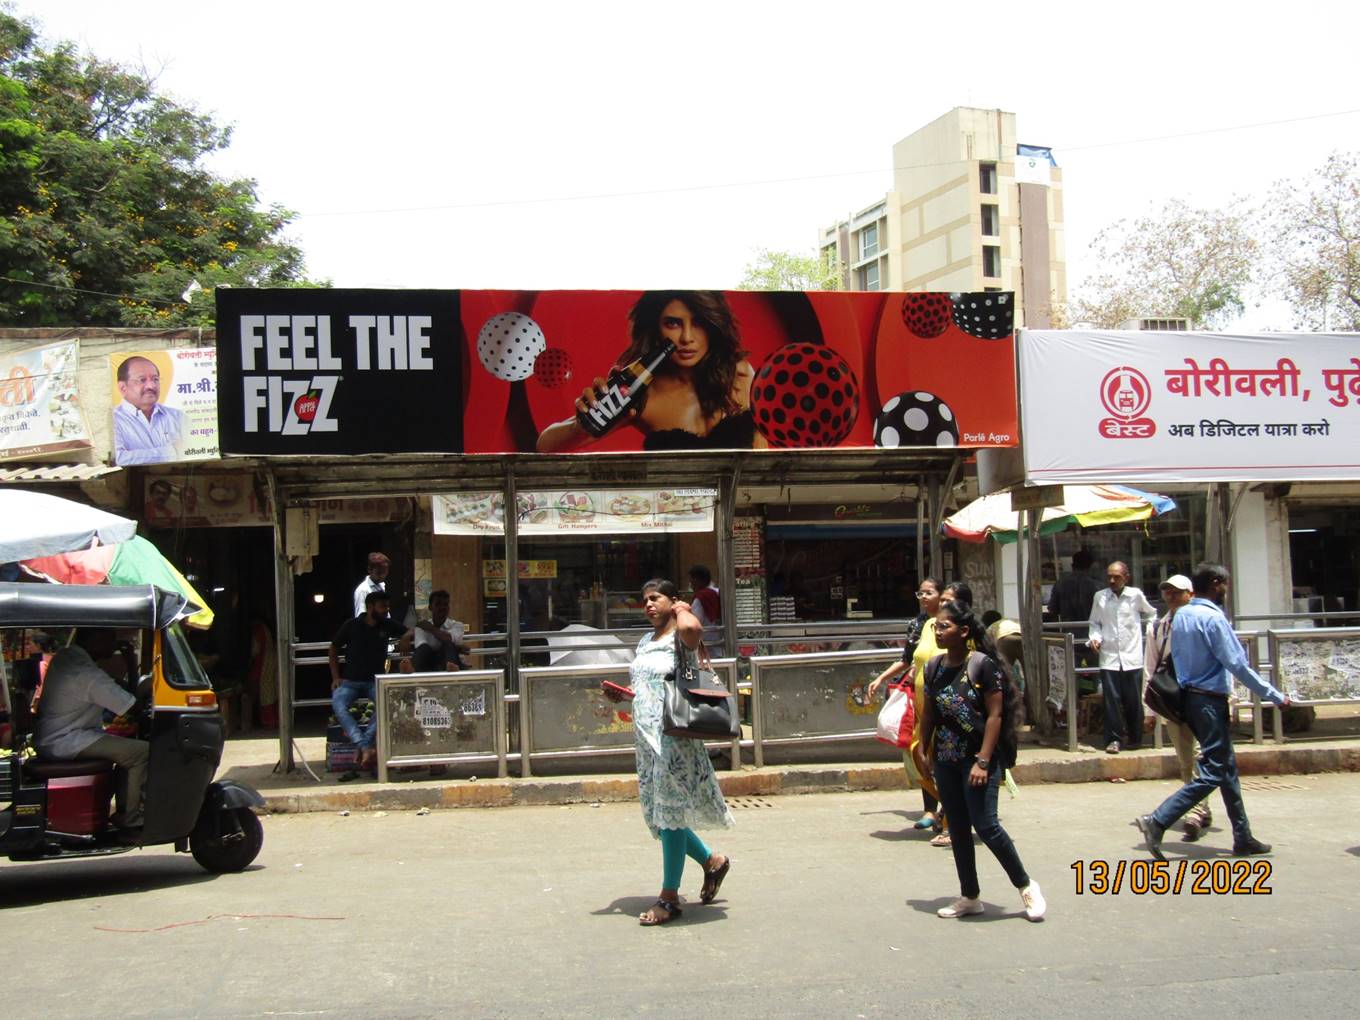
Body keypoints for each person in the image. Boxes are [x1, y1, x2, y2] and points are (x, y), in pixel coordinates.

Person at [602, 578, 734, 926]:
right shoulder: (647, 640)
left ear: (673, 601)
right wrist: (627, 694)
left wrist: (681, 608)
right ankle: (712, 861)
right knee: (660, 816)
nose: (648, 605)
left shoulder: (682, 635)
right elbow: (651, 683)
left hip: (673, 738)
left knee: (670, 813)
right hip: (646, 737)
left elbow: (694, 627)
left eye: (655, 598)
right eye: (644, 600)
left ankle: (669, 898)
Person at [1136, 564, 1289, 860]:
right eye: (1225, 586)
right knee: (1214, 770)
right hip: (1209, 700)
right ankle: (1158, 820)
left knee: (1227, 770)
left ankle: (1242, 836)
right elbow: (1237, 665)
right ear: (1216, 584)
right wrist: (1274, 696)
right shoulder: (1211, 618)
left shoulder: (1182, 617)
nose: (1226, 592)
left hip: (1190, 699)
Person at [920, 600, 1046, 921]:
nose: (938, 631)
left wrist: (983, 761)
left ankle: (1026, 885)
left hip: (978, 758)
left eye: (944, 626)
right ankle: (970, 896)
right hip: (946, 758)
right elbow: (930, 712)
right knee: (958, 828)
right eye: (936, 626)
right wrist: (924, 748)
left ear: (963, 632)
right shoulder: (933, 667)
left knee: (986, 825)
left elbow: (995, 715)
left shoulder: (982, 666)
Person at [536, 291, 768, 452]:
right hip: (678, 516)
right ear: (655, 328)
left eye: (698, 323)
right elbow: (546, 445)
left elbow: (761, 455)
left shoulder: (739, 375)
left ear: (713, 325)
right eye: (673, 323)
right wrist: (579, 426)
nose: (687, 338)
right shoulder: (642, 394)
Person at [34, 628, 149, 836]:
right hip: (66, 739)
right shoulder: (86, 674)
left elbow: (113, 687)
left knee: (126, 748)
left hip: (58, 736)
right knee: (141, 753)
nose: (113, 645)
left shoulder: (68, 657)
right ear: (94, 640)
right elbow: (132, 707)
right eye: (109, 639)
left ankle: (119, 804)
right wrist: (130, 662)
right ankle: (131, 818)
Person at [868, 577, 946, 836]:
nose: (924, 597)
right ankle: (930, 807)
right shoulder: (920, 625)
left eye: (929, 593)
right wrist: (881, 678)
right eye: (920, 593)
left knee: (944, 754)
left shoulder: (954, 623)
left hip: (950, 701)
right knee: (920, 752)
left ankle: (949, 812)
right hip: (922, 701)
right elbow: (908, 658)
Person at [1143, 574, 1211, 840]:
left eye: (1177, 592)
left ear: (1190, 594)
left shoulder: (1204, 622)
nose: (1171, 596)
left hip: (1204, 696)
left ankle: (1195, 810)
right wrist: (1149, 710)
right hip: (1174, 699)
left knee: (1200, 755)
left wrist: (1229, 701)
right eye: (1167, 592)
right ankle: (1200, 806)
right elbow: (1150, 669)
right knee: (1185, 759)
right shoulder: (1158, 627)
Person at [329, 590, 413, 778]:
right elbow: (333, 648)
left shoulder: (387, 625)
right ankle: (366, 746)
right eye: (382, 607)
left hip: (376, 681)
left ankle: (363, 746)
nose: (386, 611)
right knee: (339, 705)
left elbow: (411, 629)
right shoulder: (351, 625)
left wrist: (406, 638)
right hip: (350, 682)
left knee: (386, 706)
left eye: (387, 607)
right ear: (370, 607)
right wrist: (336, 677)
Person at [1088, 560, 1156, 754]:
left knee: (1133, 700)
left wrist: (1150, 633)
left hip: (1132, 656)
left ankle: (1135, 737)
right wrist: (1095, 638)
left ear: (1126, 577)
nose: (1111, 580)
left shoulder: (1135, 596)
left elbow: (1151, 614)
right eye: (1109, 576)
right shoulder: (1100, 597)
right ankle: (1113, 739)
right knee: (1112, 700)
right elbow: (1094, 623)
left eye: (1116, 577)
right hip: (1109, 656)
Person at [113, 355, 183, 466]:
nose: (151, 385)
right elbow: (119, 458)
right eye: (142, 380)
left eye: (155, 379)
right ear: (123, 388)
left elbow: (193, 449)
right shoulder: (114, 420)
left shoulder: (177, 416)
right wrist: (172, 451)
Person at [1048, 549, 1099, 644]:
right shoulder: (1096, 586)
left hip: (1069, 636)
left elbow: (1053, 610)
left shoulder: (1060, 584)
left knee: (1071, 659)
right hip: (1092, 636)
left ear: (1072, 565)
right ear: (1090, 567)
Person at [410, 589, 467, 673]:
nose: (442, 607)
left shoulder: (457, 626)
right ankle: (411, 669)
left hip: (449, 661)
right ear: (430, 607)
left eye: (445, 604)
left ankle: (451, 668)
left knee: (448, 645)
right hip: (427, 664)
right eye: (438, 604)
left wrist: (431, 628)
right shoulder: (421, 627)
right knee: (423, 648)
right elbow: (421, 647)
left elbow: (448, 639)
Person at [687, 564, 723, 656]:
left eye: (692, 582)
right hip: (719, 644)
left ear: (698, 580)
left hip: (705, 646)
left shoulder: (700, 598)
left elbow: (694, 623)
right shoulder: (718, 593)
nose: (691, 585)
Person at [353, 551, 391, 618]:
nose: (382, 576)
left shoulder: (381, 586)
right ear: (369, 570)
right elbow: (361, 618)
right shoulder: (363, 590)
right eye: (379, 572)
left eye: (384, 572)